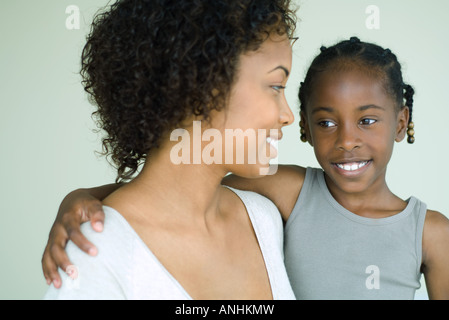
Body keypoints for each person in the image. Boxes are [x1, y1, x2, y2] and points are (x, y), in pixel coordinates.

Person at [43, 37, 449, 300]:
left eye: (367, 120)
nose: (346, 140)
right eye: (325, 122)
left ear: (400, 123)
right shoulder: (287, 193)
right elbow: (184, 186)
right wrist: (83, 198)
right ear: (307, 129)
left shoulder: (430, 232)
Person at [43, 0, 299, 300]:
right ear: (202, 83)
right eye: (276, 86)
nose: (288, 115)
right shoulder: (97, 253)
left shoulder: (263, 220)